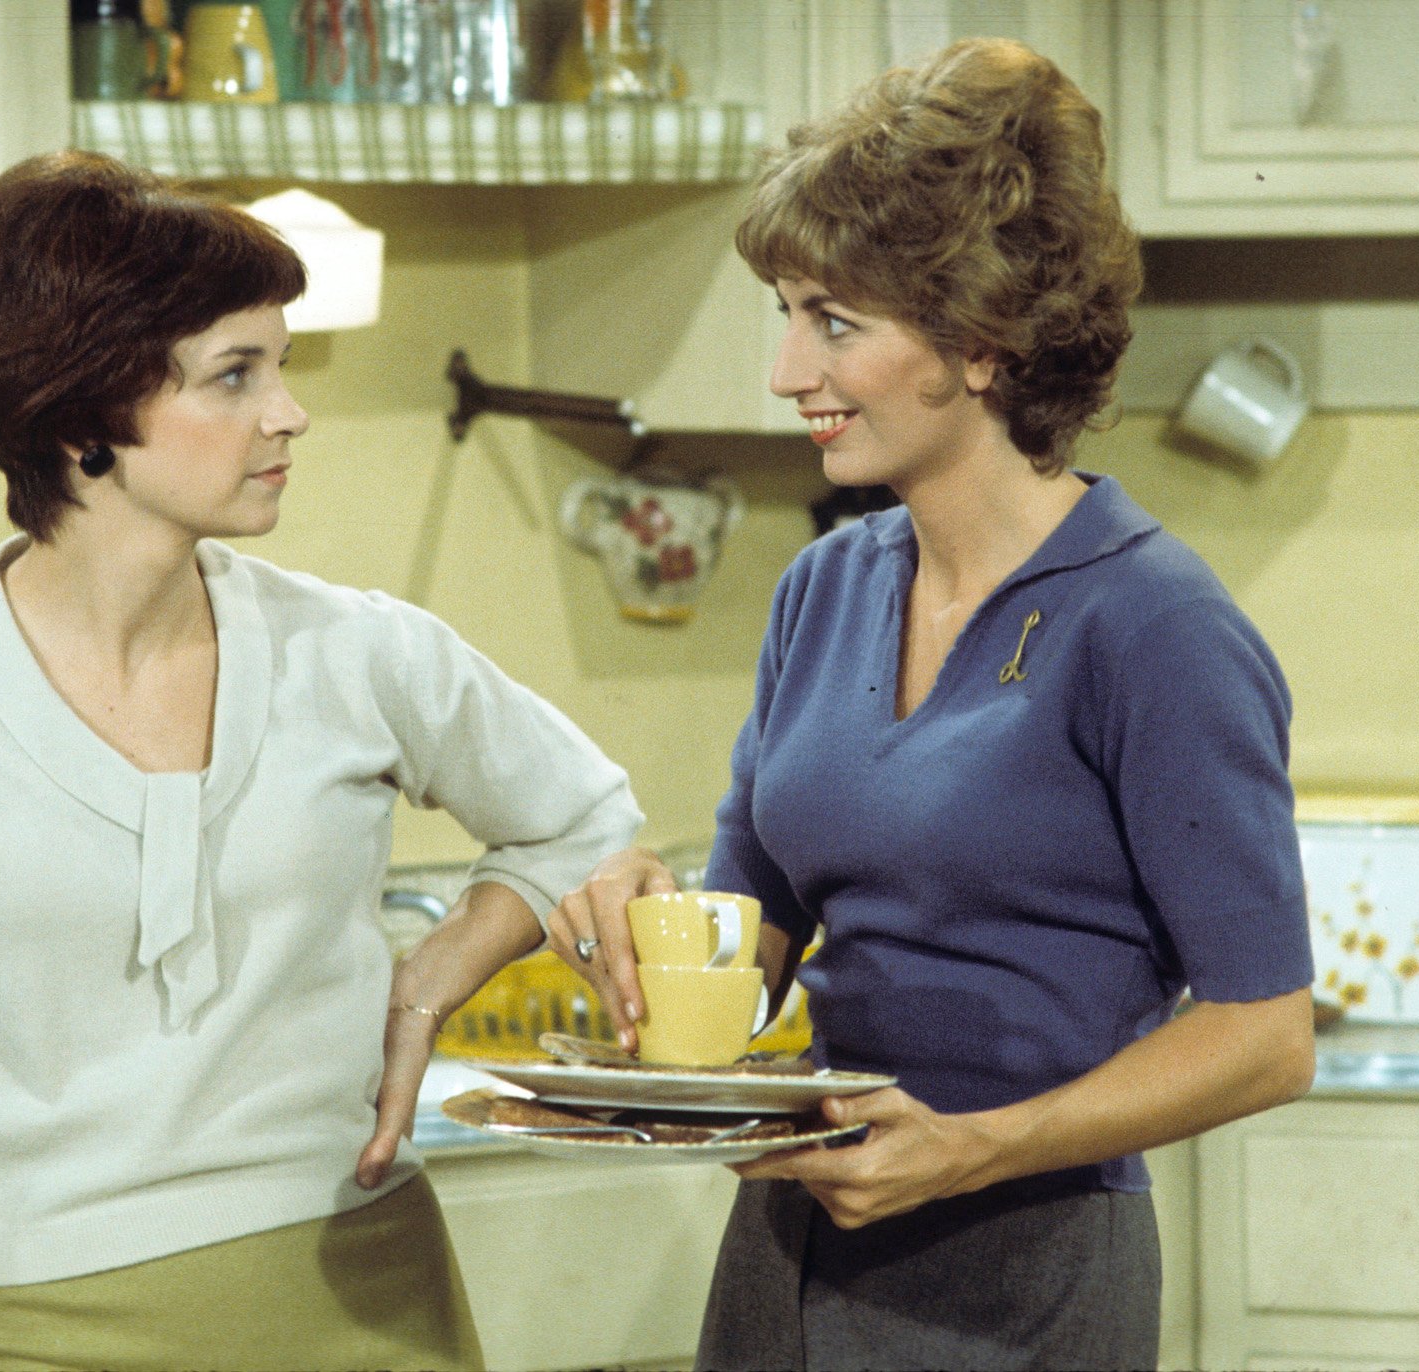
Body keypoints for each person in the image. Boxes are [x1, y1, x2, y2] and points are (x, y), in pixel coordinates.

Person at [0, 150, 642, 1372]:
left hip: (377, 1301)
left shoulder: (356, 650)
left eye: (280, 364)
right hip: (59, 1329)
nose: (289, 411)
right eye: (236, 374)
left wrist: (429, 978)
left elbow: (583, 820)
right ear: (86, 411)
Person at [546, 37, 1317, 1371]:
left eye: (832, 323)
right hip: (790, 1248)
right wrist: (635, 921)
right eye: (786, 314)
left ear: (983, 337)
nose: (788, 372)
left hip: (1023, 1268)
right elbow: (759, 930)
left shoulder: (1155, 626)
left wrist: (973, 1150)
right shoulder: (825, 587)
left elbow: (1266, 1037)